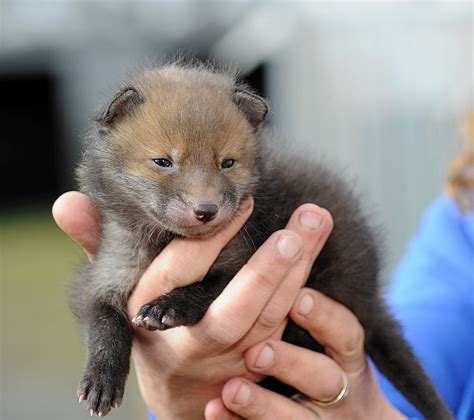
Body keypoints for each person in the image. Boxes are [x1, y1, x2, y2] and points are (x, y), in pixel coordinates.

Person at [52, 109, 474, 419]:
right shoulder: (457, 229)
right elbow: (412, 353)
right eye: (164, 164)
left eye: (225, 165)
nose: (204, 198)